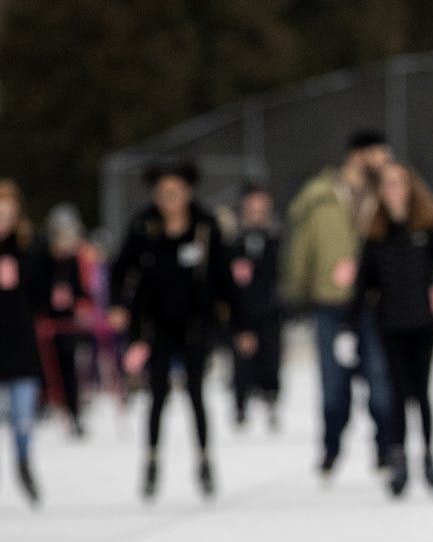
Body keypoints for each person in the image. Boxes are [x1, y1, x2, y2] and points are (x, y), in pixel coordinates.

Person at [108, 160, 244, 499]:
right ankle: (152, 461)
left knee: (196, 394)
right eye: (163, 193)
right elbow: (120, 269)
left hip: (196, 324)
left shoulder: (205, 226)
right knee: (157, 396)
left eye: (175, 192)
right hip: (154, 325)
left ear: (187, 192)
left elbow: (224, 277)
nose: (169, 199)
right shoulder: (143, 226)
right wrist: (118, 306)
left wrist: (239, 324)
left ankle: (204, 461)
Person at [345, 163, 433, 496]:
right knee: (396, 393)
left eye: (399, 184)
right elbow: (361, 284)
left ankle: (429, 455)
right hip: (389, 324)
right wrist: (348, 327)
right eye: (387, 185)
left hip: (424, 325)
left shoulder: (428, 229)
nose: (393, 191)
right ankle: (399, 458)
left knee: (421, 392)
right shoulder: (376, 234)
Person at [283, 129, 395, 479]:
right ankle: (331, 448)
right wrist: (296, 291)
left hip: (375, 304)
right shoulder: (319, 196)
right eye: (380, 155)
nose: (386, 163)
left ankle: (385, 449)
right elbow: (301, 245)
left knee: (379, 382)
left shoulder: (388, 194)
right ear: (359, 155)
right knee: (333, 387)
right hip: (331, 303)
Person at [0, 179, 43, 505]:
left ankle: (24, 461)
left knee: (23, 415)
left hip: (21, 343)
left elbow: (41, 292)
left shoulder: (28, 247)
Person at [229, 183, 285, 432]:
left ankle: (271, 399)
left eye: (262, 210)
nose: (257, 215)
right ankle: (240, 405)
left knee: (271, 360)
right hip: (243, 314)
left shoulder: (278, 243)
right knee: (242, 360)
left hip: (271, 315)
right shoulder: (233, 246)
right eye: (252, 209)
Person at [35, 203, 92, 437]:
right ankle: (43, 404)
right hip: (45, 323)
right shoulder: (41, 257)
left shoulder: (72, 260)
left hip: (66, 324)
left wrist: (82, 305)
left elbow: (80, 289)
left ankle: (74, 413)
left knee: (69, 366)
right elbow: (34, 289)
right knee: (42, 366)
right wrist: (41, 314)